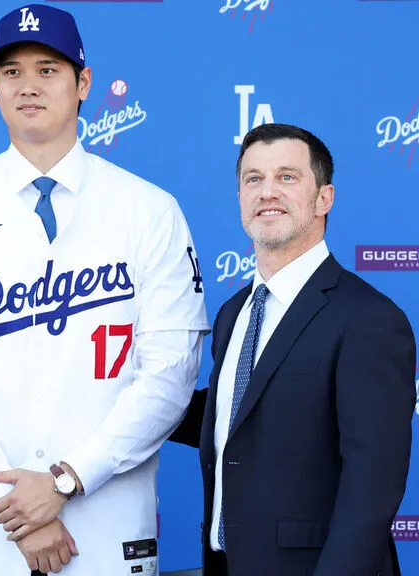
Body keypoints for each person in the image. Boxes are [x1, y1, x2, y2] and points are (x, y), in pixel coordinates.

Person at [0, 4, 209, 575]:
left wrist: (67, 479)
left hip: (105, 528)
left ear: (84, 83)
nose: (28, 85)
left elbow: (170, 373)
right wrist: (18, 508)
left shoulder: (151, 210)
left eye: (47, 69)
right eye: (11, 71)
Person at [170, 123, 416, 575]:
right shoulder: (232, 314)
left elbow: (372, 489)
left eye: (287, 177)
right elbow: (232, 420)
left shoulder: (369, 319)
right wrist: (132, 395)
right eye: (253, 179)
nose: (267, 192)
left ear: (324, 198)